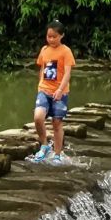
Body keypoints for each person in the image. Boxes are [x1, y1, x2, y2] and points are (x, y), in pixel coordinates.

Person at [32, 23, 76, 165]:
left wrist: (60, 90)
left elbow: (68, 73)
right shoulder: (44, 50)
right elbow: (42, 68)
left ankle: (57, 154)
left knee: (57, 123)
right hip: (44, 90)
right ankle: (44, 145)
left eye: (54, 37)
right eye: (48, 36)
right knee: (38, 117)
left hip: (60, 92)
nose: (51, 39)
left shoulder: (66, 51)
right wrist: (40, 85)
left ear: (61, 36)